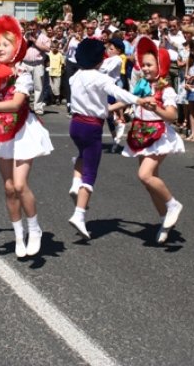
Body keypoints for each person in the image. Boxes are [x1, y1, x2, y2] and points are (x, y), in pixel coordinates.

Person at [0, 15, 54, 258]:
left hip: (23, 130)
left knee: (19, 184)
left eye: (5, 45)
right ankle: (18, 235)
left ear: (16, 47)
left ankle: (34, 229)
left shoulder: (23, 73)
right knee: (8, 188)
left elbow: (16, 104)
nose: (0, 49)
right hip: (2, 131)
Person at [67, 38, 143, 239]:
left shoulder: (75, 77)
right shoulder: (101, 79)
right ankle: (79, 214)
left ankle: (75, 184)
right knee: (91, 171)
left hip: (75, 124)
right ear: (99, 59)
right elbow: (119, 93)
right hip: (92, 126)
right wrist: (139, 100)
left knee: (81, 154)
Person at [121, 37, 185, 244]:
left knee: (145, 175)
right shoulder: (142, 86)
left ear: (161, 65)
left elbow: (172, 116)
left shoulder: (166, 90)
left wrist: (155, 108)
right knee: (150, 184)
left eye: (149, 65)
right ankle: (164, 220)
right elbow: (129, 101)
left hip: (159, 135)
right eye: (144, 65)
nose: (145, 68)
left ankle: (173, 204)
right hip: (141, 133)